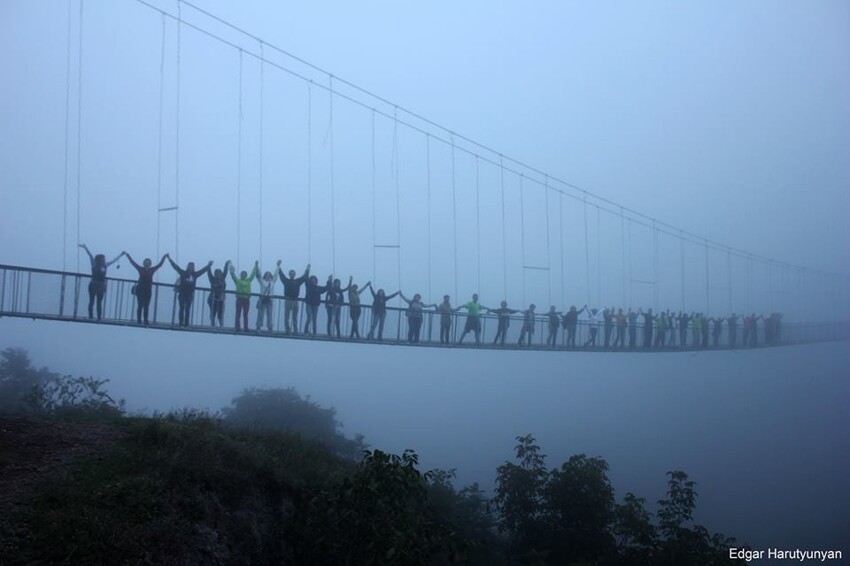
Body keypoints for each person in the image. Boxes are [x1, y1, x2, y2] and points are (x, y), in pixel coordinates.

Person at [79, 244, 124, 321]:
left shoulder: (104, 265)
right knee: (92, 301)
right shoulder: (94, 264)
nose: (104, 260)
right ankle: (91, 316)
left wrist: (120, 255)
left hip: (99, 286)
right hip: (95, 285)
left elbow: (114, 261)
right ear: (99, 259)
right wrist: (86, 248)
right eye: (103, 258)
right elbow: (90, 256)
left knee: (98, 302)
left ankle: (98, 317)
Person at [168, 256, 213, 327]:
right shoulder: (183, 273)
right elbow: (176, 267)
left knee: (188, 309)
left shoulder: (195, 274)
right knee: (182, 308)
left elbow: (202, 271)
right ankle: (180, 323)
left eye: (192, 267)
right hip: (182, 293)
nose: (191, 268)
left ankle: (186, 324)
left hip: (190, 294)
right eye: (190, 266)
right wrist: (170, 260)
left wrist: (209, 265)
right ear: (188, 267)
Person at [125, 251, 167, 325]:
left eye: (148, 263)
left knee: (146, 305)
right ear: (144, 263)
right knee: (140, 305)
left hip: (148, 290)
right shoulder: (141, 269)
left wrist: (164, 257)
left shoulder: (152, 270)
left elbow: (160, 265)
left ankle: (145, 320)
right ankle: (139, 320)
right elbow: (133, 263)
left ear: (150, 264)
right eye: (146, 262)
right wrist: (128, 256)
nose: (147, 264)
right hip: (140, 289)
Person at [278, 262, 310, 335]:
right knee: (287, 317)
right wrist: (278, 267)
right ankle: (288, 330)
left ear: (294, 274)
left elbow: (304, 277)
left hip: (295, 300)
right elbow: (281, 275)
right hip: (288, 300)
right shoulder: (286, 281)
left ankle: (295, 330)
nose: (292, 275)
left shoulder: (297, 281)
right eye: (291, 273)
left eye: (293, 273)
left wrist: (308, 268)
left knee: (294, 317)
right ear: (289, 274)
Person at [230, 261, 258, 332]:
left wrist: (256, 266)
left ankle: (246, 327)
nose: (243, 275)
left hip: (246, 299)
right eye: (242, 274)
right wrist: (231, 267)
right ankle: (237, 327)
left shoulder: (248, 280)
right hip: (239, 298)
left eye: (244, 274)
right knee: (238, 313)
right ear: (240, 275)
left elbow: (253, 274)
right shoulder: (238, 281)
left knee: (245, 314)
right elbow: (233, 275)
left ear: (246, 275)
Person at [206, 260, 231, 328]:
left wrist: (226, 264)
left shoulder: (223, 279)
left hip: (221, 299)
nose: (218, 274)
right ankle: (212, 324)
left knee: (220, 312)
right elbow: (209, 273)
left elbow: (225, 271)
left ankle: (221, 325)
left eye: (219, 273)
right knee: (213, 312)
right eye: (216, 273)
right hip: (212, 298)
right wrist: (209, 265)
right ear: (215, 274)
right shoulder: (212, 279)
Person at [256, 264, 278, 333]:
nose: (268, 276)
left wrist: (278, 266)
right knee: (260, 314)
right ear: (264, 276)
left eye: (269, 275)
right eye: (266, 275)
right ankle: (258, 327)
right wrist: (257, 266)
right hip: (262, 299)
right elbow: (259, 276)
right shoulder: (262, 281)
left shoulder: (272, 282)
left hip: (270, 300)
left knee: (270, 314)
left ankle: (270, 327)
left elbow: (276, 275)